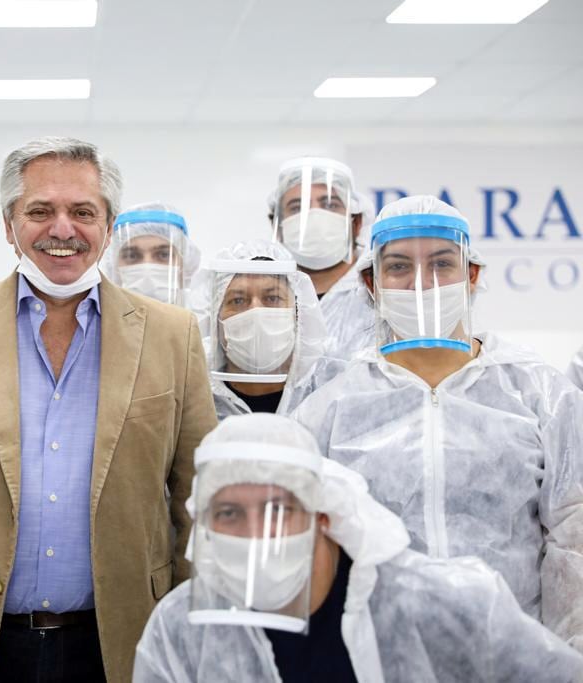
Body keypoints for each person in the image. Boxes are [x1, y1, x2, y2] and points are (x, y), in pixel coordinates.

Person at [0, 137, 218, 683]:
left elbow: (200, 503)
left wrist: (189, 636)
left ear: (109, 224)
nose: (62, 229)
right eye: (40, 211)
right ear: (9, 224)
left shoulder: (171, 335)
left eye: (82, 212)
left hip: (123, 645)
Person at [292, 195, 583, 651]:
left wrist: (566, 659)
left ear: (471, 275)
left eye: (442, 264)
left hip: (512, 655)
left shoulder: (538, 396)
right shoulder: (331, 406)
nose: (421, 284)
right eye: (399, 267)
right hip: (376, 658)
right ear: (372, 283)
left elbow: (574, 536)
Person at [133, 413, 583, 682]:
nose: (255, 534)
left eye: (277, 511)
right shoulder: (179, 629)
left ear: (323, 515)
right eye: (229, 514)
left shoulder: (444, 604)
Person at [203, 239, 339, 418]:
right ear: (215, 318)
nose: (255, 311)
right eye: (237, 300)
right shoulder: (195, 396)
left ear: (299, 313)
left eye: (273, 298)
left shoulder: (334, 390)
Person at [268, 157, 375, 360]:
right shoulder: (261, 295)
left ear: (356, 222)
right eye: (297, 207)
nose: (313, 216)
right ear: (277, 224)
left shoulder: (380, 291)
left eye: (330, 205)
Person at [101, 202, 201, 307]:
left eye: (163, 255)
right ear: (113, 265)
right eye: (132, 256)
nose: (147, 267)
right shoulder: (96, 319)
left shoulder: (204, 319)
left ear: (184, 264)